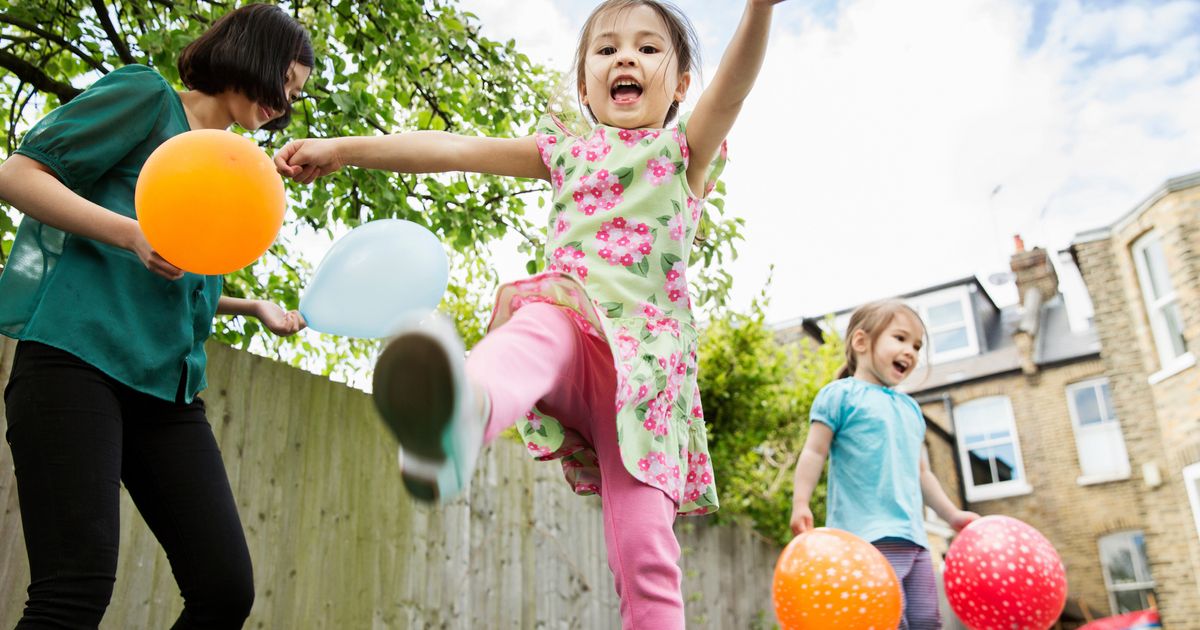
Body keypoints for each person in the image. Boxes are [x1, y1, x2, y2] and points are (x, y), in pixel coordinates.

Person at [275, 1, 784, 626]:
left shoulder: (683, 151)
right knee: (537, 324)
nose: (626, 56)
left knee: (646, 554)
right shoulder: (564, 153)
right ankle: (458, 417)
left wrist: (758, 9)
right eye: (607, 49)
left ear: (680, 86)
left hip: (648, 382)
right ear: (585, 87)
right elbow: (452, 147)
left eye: (649, 49)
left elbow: (732, 88)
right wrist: (345, 149)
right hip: (572, 330)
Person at [0, 5, 313, 627]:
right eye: (286, 82)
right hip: (75, 362)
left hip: (167, 395)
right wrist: (130, 232)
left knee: (225, 590)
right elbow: (18, 174)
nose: (285, 102)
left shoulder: (226, 165)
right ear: (249, 52)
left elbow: (171, 275)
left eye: (296, 96)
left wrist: (247, 304)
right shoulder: (146, 97)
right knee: (74, 591)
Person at [788, 299, 980, 630]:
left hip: (915, 538)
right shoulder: (840, 396)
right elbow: (814, 453)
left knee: (926, 620)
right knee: (890, 621)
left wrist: (951, 514)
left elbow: (923, 474)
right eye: (901, 339)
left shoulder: (911, 409)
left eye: (917, 345)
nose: (911, 351)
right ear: (861, 342)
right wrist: (801, 502)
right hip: (866, 539)